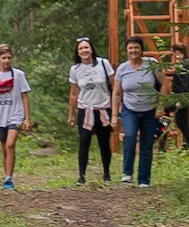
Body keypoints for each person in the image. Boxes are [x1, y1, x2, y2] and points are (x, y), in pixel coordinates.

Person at [112, 36, 163, 188]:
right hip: (130, 109)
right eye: (130, 48)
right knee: (130, 136)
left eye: (136, 47)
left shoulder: (152, 64)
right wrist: (114, 115)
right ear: (126, 50)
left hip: (150, 110)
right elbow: (116, 93)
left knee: (146, 144)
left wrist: (161, 106)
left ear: (141, 50)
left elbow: (164, 84)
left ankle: (144, 179)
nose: (133, 50)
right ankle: (127, 173)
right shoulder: (122, 69)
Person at [67, 36, 115, 186]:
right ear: (77, 52)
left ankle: (106, 174)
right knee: (84, 142)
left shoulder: (103, 63)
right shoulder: (75, 69)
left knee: (104, 142)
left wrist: (116, 108)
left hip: (103, 108)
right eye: (81, 48)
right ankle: (81, 176)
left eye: (86, 47)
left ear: (92, 49)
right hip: (85, 109)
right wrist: (71, 114)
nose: (84, 51)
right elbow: (73, 93)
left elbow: (114, 86)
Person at [0, 43, 31, 189]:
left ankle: (9, 178)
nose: (6, 61)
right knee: (4, 148)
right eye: (3, 58)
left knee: (10, 144)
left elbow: (24, 96)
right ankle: (7, 177)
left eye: (9, 58)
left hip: (16, 114)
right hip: (0, 115)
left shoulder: (18, 75)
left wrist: (27, 119)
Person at [164, 42, 189, 151]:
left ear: (177, 52)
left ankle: (188, 144)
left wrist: (182, 100)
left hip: (182, 97)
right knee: (181, 121)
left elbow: (186, 83)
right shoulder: (184, 64)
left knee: (179, 119)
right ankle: (187, 144)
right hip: (180, 96)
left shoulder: (185, 65)